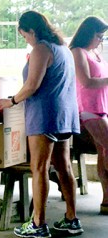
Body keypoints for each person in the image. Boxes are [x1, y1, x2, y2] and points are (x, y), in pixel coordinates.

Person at [0, 10, 84, 237]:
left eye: (25, 36)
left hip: (44, 114)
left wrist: (11, 101)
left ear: (31, 31)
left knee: (39, 168)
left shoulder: (41, 49)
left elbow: (32, 85)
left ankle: (38, 224)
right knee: (64, 166)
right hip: (64, 113)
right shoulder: (63, 49)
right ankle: (72, 219)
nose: (26, 40)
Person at [69, 16, 108, 215]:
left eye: (103, 37)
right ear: (88, 33)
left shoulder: (95, 53)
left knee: (103, 151)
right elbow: (86, 82)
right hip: (87, 108)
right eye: (98, 36)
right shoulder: (78, 52)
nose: (100, 40)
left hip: (101, 107)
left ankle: (106, 200)